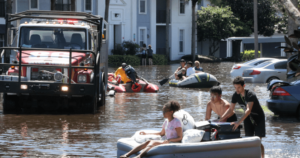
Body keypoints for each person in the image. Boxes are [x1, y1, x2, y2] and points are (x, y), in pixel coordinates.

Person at [220, 76, 265, 158]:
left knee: (257, 141)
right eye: (235, 87)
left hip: (258, 118)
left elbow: (248, 110)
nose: (237, 90)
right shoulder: (235, 95)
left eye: (239, 87)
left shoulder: (250, 94)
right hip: (247, 118)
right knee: (249, 140)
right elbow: (230, 109)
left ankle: (262, 156)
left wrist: (238, 122)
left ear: (244, 86)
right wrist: (221, 119)